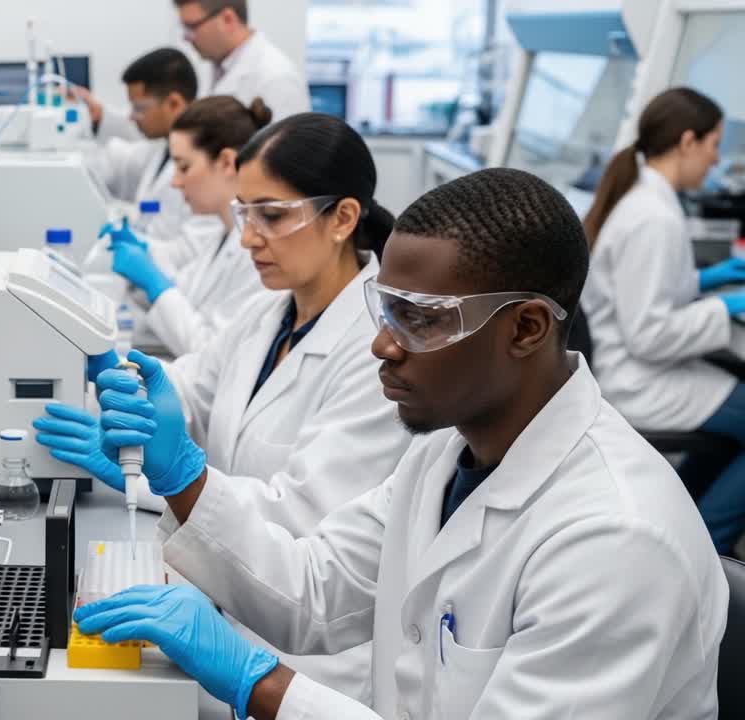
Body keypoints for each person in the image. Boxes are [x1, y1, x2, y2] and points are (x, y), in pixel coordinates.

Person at [74, 168, 726, 719]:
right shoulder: (447, 452)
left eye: (419, 319)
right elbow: (315, 590)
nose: (382, 345)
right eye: (386, 310)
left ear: (525, 328)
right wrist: (183, 477)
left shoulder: (615, 538)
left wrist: (261, 685)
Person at [38, 112, 411, 705]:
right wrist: (119, 381)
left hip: (310, 662)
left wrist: (178, 480)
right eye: (243, 212)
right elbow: (190, 388)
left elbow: (301, 522)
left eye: (271, 214)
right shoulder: (271, 313)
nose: (246, 237)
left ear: (342, 218)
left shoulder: (377, 353)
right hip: (229, 595)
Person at [581, 87, 745, 554]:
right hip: (637, 378)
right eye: (715, 144)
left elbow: (645, 293)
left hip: (637, 367)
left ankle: (684, 526)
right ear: (688, 141)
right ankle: (704, 552)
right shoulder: (653, 217)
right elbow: (649, 334)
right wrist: (725, 307)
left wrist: (704, 280)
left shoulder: (647, 201)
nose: (716, 160)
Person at [101, 95, 277, 357]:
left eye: (184, 167)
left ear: (227, 162)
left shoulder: (257, 250)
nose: (175, 182)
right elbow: (182, 293)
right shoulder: (223, 235)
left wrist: (153, 282)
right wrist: (144, 267)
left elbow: (211, 353)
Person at [79, 0, 309, 141]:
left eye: (191, 27)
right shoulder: (216, 69)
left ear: (227, 19)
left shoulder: (276, 77)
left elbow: (282, 169)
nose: (186, 38)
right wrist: (102, 115)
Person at [87, 48, 201, 243]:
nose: (132, 117)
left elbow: (193, 246)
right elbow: (119, 160)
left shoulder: (204, 159)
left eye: (139, 108)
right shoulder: (162, 150)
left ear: (174, 103)